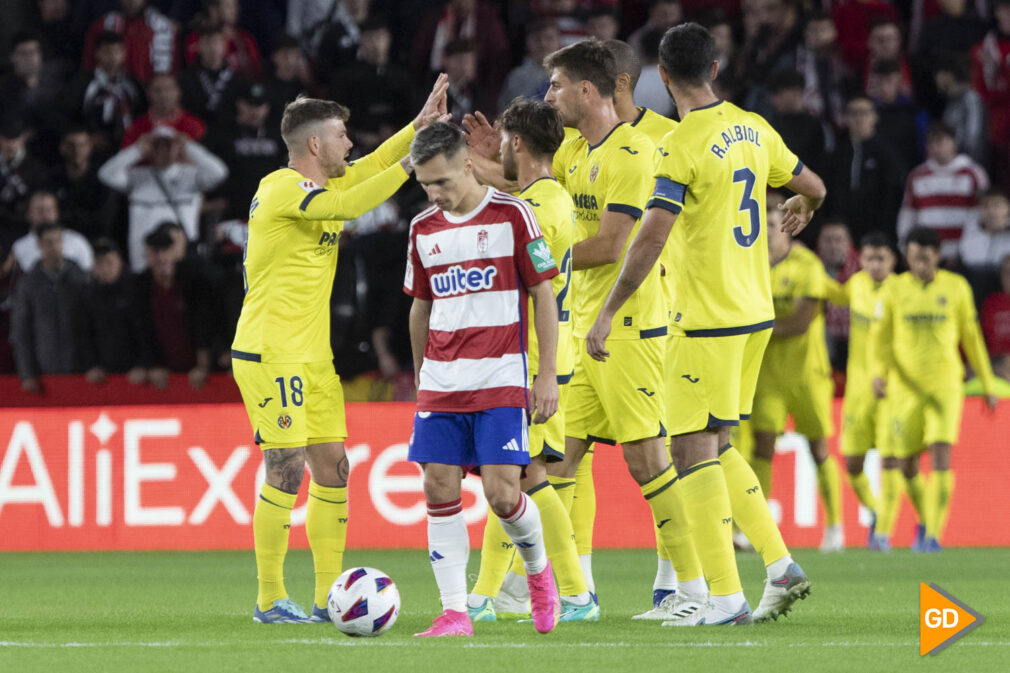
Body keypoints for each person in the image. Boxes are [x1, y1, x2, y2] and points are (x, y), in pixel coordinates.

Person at [586, 22, 826, 625]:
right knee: (717, 444)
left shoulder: (682, 144)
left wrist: (610, 307)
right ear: (715, 70)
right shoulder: (755, 126)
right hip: (756, 317)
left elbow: (651, 237)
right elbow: (814, 185)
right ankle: (778, 565)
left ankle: (723, 599)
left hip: (705, 320)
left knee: (690, 451)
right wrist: (804, 205)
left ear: (661, 78)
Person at [462, 39, 680, 618]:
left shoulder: (634, 152)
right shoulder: (578, 151)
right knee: (553, 466)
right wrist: (494, 157)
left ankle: (692, 583)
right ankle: (571, 589)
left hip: (631, 324)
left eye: (554, 85)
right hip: (579, 327)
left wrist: (529, 269)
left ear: (587, 89)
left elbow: (611, 246)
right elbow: (525, 188)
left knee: (649, 461)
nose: (548, 94)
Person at [230, 76, 450, 624]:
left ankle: (330, 595)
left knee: (333, 467)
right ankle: (268, 599)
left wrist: (417, 130)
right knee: (284, 468)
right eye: (342, 136)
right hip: (270, 351)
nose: (350, 145)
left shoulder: (322, 187)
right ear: (313, 145)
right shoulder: (281, 188)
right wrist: (410, 166)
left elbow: (369, 168)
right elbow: (356, 197)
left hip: (312, 356)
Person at [404, 121, 562, 638]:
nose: (436, 194)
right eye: (427, 185)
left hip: (499, 376)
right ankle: (454, 612)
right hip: (442, 382)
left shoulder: (513, 215)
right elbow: (420, 307)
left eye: (443, 182)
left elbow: (542, 293)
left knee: (501, 494)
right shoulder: (423, 228)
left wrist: (546, 377)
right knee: (437, 486)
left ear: (468, 164)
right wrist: (421, 375)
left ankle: (539, 575)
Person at [466, 98, 596, 624]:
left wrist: (467, 175)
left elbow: (499, 258)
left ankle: (576, 593)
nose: (498, 148)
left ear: (517, 143)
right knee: (522, 477)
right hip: (537, 352)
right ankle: (488, 594)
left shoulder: (536, 207)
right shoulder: (549, 197)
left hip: (532, 357)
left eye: (503, 141)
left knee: (528, 477)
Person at [870, 226, 998, 552]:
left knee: (942, 454)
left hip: (945, 384)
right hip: (905, 387)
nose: (921, 264)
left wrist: (986, 382)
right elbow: (880, 339)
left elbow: (972, 337)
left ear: (938, 256)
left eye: (926, 258)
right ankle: (925, 520)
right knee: (907, 463)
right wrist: (877, 373)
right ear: (908, 256)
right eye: (915, 257)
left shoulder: (956, 288)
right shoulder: (894, 289)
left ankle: (933, 536)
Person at [751, 195, 844, 553]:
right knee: (762, 447)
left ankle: (835, 526)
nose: (767, 232)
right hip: (768, 376)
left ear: (786, 228)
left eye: (772, 225)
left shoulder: (807, 264)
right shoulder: (750, 263)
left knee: (818, 448)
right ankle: (755, 531)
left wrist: (757, 325)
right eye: (762, 226)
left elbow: (801, 322)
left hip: (808, 375)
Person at [824, 231, 897, 550]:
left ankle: (884, 531)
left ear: (893, 261)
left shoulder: (903, 292)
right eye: (870, 258)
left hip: (893, 389)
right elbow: (832, 295)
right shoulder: (855, 286)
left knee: (893, 461)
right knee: (852, 463)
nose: (876, 265)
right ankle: (877, 513)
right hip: (857, 390)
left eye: (882, 259)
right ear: (861, 260)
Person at [98, 126, 228, 271]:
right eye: (157, 145)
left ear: (177, 148)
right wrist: (136, 150)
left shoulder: (191, 175)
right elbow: (105, 174)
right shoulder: (137, 176)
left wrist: (190, 147)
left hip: (181, 253)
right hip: (143, 252)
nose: (163, 150)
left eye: (168, 145)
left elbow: (219, 172)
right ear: (150, 149)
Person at [10, 222, 89, 394]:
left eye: (57, 241)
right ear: (39, 245)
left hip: (82, 369)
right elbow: (21, 331)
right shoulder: (28, 284)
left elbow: (94, 324)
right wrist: (27, 373)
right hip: (45, 371)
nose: (54, 247)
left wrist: (96, 363)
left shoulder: (80, 278)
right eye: (48, 242)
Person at [897, 122, 989, 262]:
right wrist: (905, 248)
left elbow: (979, 215)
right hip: (927, 254)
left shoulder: (973, 173)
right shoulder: (917, 175)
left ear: (954, 143)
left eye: (940, 141)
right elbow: (908, 215)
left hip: (962, 254)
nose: (935, 147)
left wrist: (967, 250)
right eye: (930, 142)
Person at [824, 96, 905, 243]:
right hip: (842, 233)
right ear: (846, 117)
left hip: (878, 232)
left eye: (864, 113)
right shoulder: (837, 153)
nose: (858, 118)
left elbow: (893, 194)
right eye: (853, 113)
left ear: (874, 117)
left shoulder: (887, 153)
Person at [81, 238, 141, 384]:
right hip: (103, 374)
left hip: (137, 372)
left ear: (119, 261)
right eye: (99, 263)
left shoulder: (136, 289)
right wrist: (91, 365)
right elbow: (84, 334)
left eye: (109, 262)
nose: (105, 268)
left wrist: (144, 364)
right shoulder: (87, 295)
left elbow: (145, 331)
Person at [81, 0, 178, 84]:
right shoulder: (102, 26)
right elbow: (88, 66)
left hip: (151, 95)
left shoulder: (162, 28)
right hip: (108, 92)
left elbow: (172, 72)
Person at [11, 190, 94, 274]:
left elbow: (89, 276)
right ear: (28, 214)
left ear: (56, 213)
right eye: (39, 210)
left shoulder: (77, 241)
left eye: (49, 209)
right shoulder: (19, 247)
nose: (45, 215)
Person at [121, 73, 206, 148]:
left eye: (168, 89)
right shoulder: (135, 128)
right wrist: (137, 149)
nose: (164, 95)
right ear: (148, 93)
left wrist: (190, 147)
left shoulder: (195, 126)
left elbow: (206, 161)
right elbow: (123, 162)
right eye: (157, 91)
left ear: (178, 92)